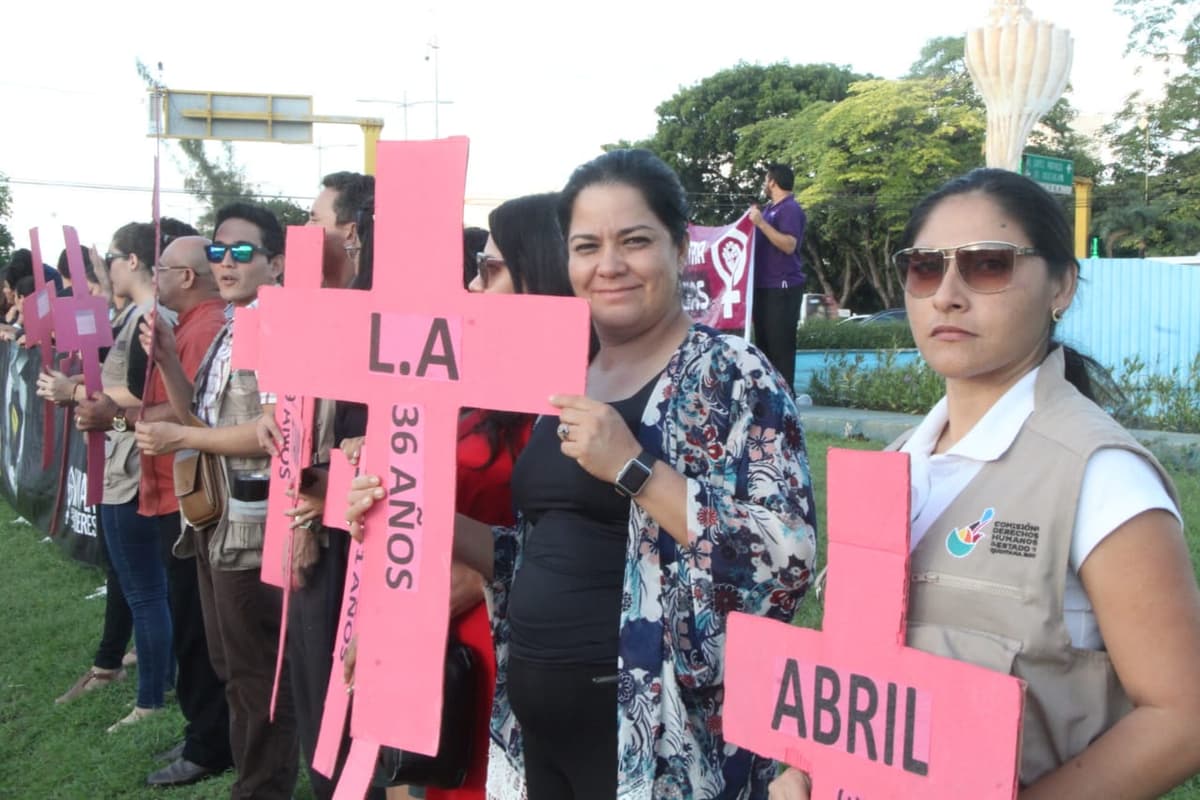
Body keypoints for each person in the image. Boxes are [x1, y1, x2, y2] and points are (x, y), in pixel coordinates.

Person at [348, 149, 818, 799]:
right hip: (537, 731)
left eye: (635, 241)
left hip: (657, 740)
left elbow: (787, 560)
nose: (609, 265)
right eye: (587, 246)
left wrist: (634, 467)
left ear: (681, 248)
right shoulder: (566, 380)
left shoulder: (732, 373)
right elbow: (529, 552)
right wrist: (417, 513)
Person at [770, 168, 1200, 800]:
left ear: (1061, 286)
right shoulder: (897, 461)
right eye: (925, 267)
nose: (947, 295)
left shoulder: (1100, 477)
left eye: (988, 264)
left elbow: (1182, 718)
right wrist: (805, 768)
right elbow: (858, 674)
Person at [135, 202, 300, 800]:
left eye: (241, 252)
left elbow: (272, 432)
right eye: (218, 252)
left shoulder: (280, 326)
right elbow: (197, 417)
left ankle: (262, 786)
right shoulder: (235, 324)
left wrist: (180, 439)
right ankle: (253, 775)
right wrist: (166, 359)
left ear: (276, 263)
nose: (225, 263)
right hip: (214, 520)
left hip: (255, 527)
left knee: (255, 671)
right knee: (230, 665)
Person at [55, 222, 174, 732]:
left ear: (132, 261)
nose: (106, 267)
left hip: (132, 465)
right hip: (128, 459)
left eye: (111, 257)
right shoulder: (140, 315)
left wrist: (80, 395)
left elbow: (147, 396)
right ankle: (157, 681)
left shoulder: (151, 317)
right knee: (144, 587)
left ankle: (151, 699)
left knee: (145, 590)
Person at [131, 233, 235, 788]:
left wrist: (117, 417)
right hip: (181, 493)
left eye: (162, 269)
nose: (155, 278)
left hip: (192, 498)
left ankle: (210, 743)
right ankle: (205, 731)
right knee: (195, 626)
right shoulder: (188, 328)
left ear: (188, 277)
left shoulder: (206, 328)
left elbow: (190, 415)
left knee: (199, 631)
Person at [748, 163, 807, 394]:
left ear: (773, 181)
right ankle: (769, 398)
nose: (764, 184)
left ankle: (785, 399)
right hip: (764, 286)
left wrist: (761, 223)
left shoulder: (789, 209)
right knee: (764, 348)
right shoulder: (770, 209)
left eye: (766, 179)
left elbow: (789, 245)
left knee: (779, 347)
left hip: (782, 287)